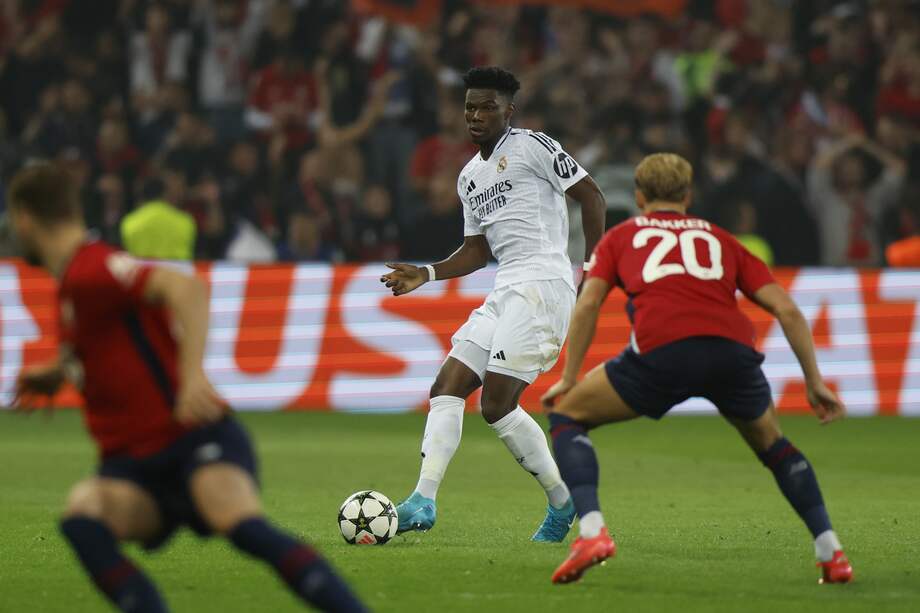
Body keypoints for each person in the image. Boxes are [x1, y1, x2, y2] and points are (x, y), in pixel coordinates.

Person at [7, 162, 367, 613]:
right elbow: (98, 347)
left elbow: (186, 287)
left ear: (24, 217)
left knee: (237, 522)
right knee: (84, 516)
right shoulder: (71, 287)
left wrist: (193, 376)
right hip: (136, 466)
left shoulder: (93, 268)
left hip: (191, 437)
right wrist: (55, 373)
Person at [540, 153, 853, 585]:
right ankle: (831, 552)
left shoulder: (621, 236)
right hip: (732, 354)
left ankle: (592, 533)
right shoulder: (723, 239)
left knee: (567, 416)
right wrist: (815, 382)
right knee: (774, 446)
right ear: (688, 196)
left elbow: (589, 302)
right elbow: (787, 310)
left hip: (664, 352)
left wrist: (570, 377)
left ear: (639, 196)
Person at [380, 66, 607, 542]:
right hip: (506, 288)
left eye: (488, 107)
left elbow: (592, 197)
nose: (476, 115)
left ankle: (563, 502)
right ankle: (423, 501)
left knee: (497, 405)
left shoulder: (533, 146)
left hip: (543, 285)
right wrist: (426, 273)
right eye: (470, 107)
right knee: (446, 387)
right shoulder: (469, 176)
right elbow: (476, 251)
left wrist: (594, 270)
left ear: (509, 111)